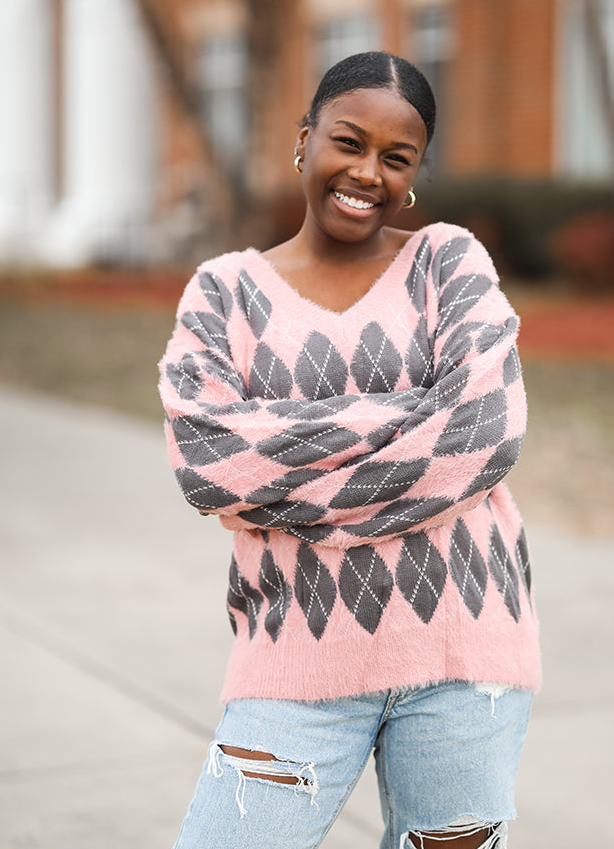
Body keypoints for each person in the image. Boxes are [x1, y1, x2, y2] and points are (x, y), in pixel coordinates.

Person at [158, 51, 540, 849]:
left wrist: (291, 474)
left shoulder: (447, 262)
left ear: (413, 174)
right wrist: (413, 418)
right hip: (294, 657)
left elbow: (484, 431)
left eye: (394, 157)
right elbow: (207, 460)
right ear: (304, 140)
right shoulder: (222, 291)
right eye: (347, 142)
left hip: (463, 657)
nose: (366, 172)